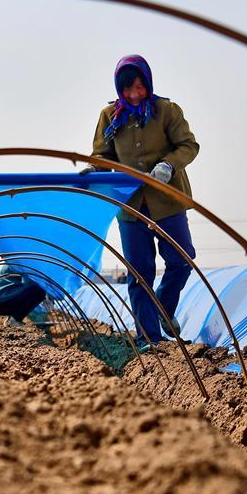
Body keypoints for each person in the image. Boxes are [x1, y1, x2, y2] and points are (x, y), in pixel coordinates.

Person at [81, 54, 199, 349]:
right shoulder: (110, 117)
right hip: (131, 206)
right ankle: (149, 338)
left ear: (148, 83)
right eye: (127, 89)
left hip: (167, 200)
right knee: (139, 272)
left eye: (139, 87)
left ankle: (163, 306)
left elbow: (188, 145)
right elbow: (103, 156)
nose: (134, 94)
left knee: (182, 260)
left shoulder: (167, 111)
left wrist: (169, 165)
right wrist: (94, 169)